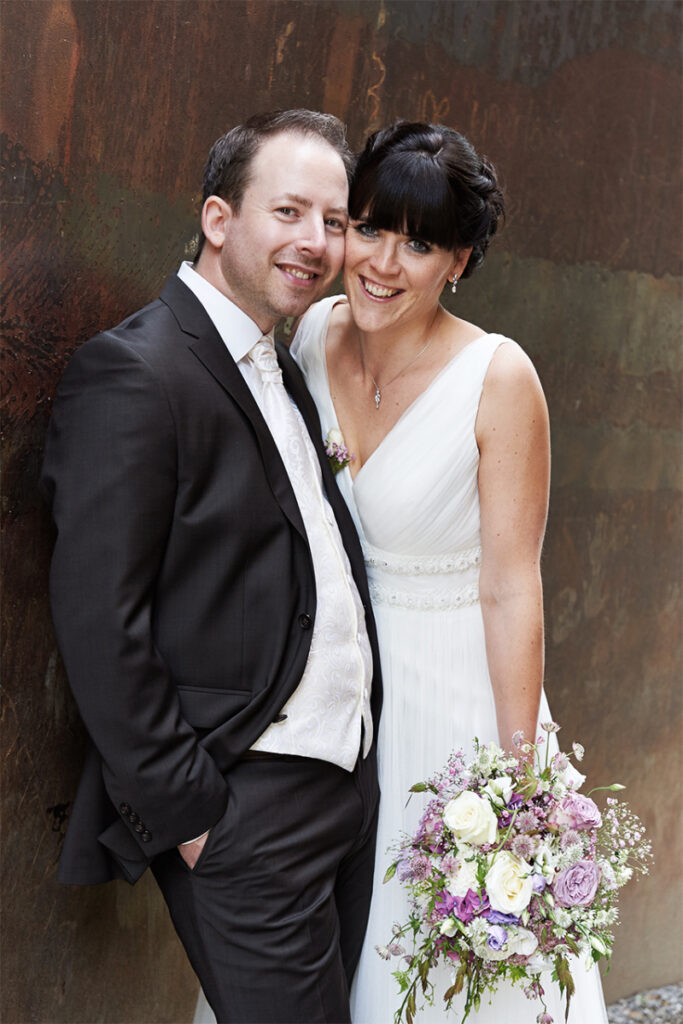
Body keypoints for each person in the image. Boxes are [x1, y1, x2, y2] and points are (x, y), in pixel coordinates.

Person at [41, 109, 382, 1024]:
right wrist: (194, 820)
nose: (316, 242)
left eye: (334, 221)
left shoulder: (283, 365)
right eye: (289, 212)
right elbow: (101, 623)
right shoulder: (134, 371)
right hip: (245, 806)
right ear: (218, 219)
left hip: (345, 786)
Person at [290, 121, 608, 1022]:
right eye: (368, 229)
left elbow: (509, 586)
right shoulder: (311, 335)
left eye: (419, 244)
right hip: (330, 696)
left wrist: (517, 785)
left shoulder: (497, 378)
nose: (382, 264)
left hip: (450, 704)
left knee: (435, 962)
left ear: (458, 261)